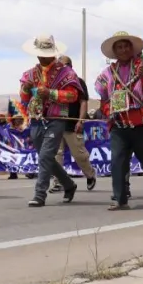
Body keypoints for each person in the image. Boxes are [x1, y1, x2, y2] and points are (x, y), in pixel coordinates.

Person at [95, 31, 143, 211]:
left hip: (142, 124)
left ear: (132, 48)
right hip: (118, 125)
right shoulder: (107, 74)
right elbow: (104, 100)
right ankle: (120, 199)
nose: (123, 50)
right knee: (117, 161)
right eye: (119, 47)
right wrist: (109, 110)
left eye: (126, 46)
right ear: (114, 51)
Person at [19, 35, 81, 207]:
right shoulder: (30, 74)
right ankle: (68, 184)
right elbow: (24, 98)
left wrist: (51, 93)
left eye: (46, 53)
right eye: (40, 53)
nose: (43, 57)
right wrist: (25, 89)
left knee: (46, 155)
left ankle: (40, 194)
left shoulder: (66, 73)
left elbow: (73, 95)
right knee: (45, 157)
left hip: (57, 118)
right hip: (36, 119)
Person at [52, 55, 97, 192]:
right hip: (57, 122)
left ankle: (90, 175)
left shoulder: (78, 81)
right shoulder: (55, 82)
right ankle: (58, 182)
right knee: (56, 154)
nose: (61, 68)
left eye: (64, 65)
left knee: (79, 154)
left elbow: (83, 102)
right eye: (59, 66)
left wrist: (80, 120)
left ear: (70, 66)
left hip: (72, 123)